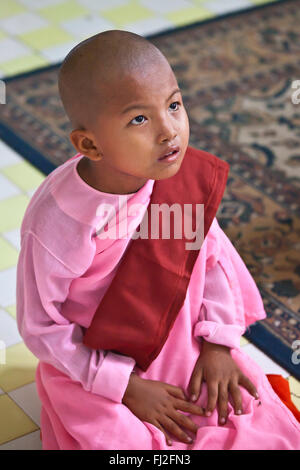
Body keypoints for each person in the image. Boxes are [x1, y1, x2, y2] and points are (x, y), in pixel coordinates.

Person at [16, 30, 300, 450]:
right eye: (139, 119)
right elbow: (41, 325)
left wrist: (218, 346)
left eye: (173, 105)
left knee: (240, 409)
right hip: (99, 361)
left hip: (179, 341)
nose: (170, 131)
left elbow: (212, 259)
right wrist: (122, 386)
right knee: (120, 441)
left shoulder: (176, 177)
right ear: (89, 144)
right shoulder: (61, 221)